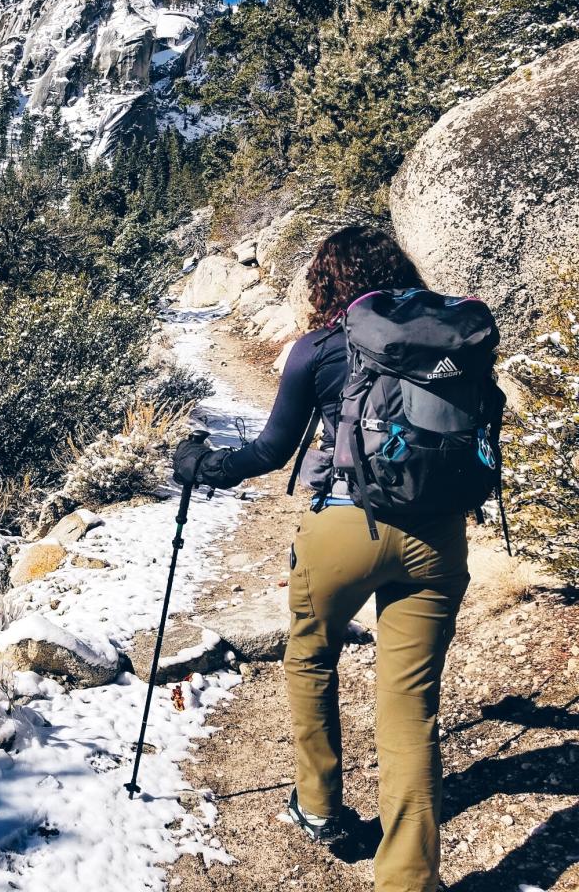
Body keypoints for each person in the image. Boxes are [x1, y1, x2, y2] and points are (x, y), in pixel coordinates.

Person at [173, 226, 467, 892]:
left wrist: (200, 465)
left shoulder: (317, 349)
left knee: (310, 658)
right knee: (411, 707)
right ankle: (408, 879)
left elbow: (269, 452)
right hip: (437, 538)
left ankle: (320, 807)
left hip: (342, 530)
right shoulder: (453, 342)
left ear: (326, 282)